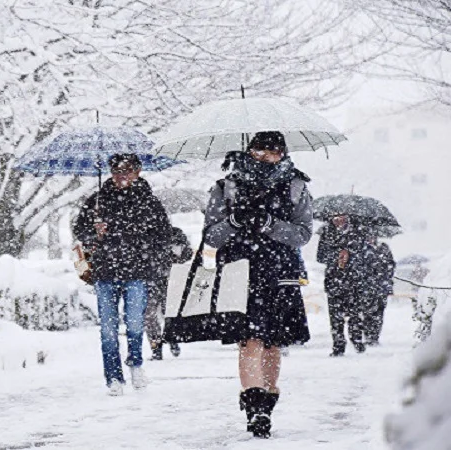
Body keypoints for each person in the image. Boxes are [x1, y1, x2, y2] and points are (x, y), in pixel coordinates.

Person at [203, 131, 313, 438]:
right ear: (249, 151)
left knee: (272, 342)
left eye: (273, 152)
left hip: (280, 271)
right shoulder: (227, 186)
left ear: (283, 153)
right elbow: (211, 235)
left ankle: (267, 402)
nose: (266, 157)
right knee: (248, 340)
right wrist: (235, 221)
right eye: (260, 151)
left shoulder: (295, 186)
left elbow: (303, 234)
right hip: (240, 272)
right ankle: (255, 409)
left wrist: (269, 225)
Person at [72, 153, 172, 396]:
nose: (122, 176)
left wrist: (143, 244)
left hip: (137, 272)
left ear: (138, 172)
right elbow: (80, 231)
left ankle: (136, 363)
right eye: (117, 171)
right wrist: (95, 233)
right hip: (105, 273)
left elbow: (164, 235)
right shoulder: (97, 201)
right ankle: (113, 377)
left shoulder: (149, 202)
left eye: (127, 170)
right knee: (108, 330)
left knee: (135, 324)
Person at [316, 215, 372, 356]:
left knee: (355, 314)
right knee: (335, 317)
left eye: (342, 216)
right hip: (334, 281)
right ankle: (338, 344)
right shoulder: (326, 232)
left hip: (354, 281)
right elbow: (320, 256)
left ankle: (357, 340)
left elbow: (365, 256)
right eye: (335, 216)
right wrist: (337, 255)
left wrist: (350, 254)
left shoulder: (358, 232)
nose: (339, 219)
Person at [145, 226, 193, 360]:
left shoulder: (174, 233)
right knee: (152, 316)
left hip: (166, 279)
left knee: (164, 313)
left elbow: (186, 253)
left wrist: (174, 254)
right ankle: (158, 347)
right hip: (155, 279)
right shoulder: (143, 234)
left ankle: (169, 340)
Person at [362, 234, 395, 345]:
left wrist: (384, 273)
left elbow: (391, 265)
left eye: (372, 236)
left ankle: (375, 336)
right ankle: (368, 335)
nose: (371, 239)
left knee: (379, 312)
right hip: (368, 287)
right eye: (369, 236)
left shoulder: (384, 248)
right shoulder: (363, 249)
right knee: (367, 312)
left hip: (381, 287)